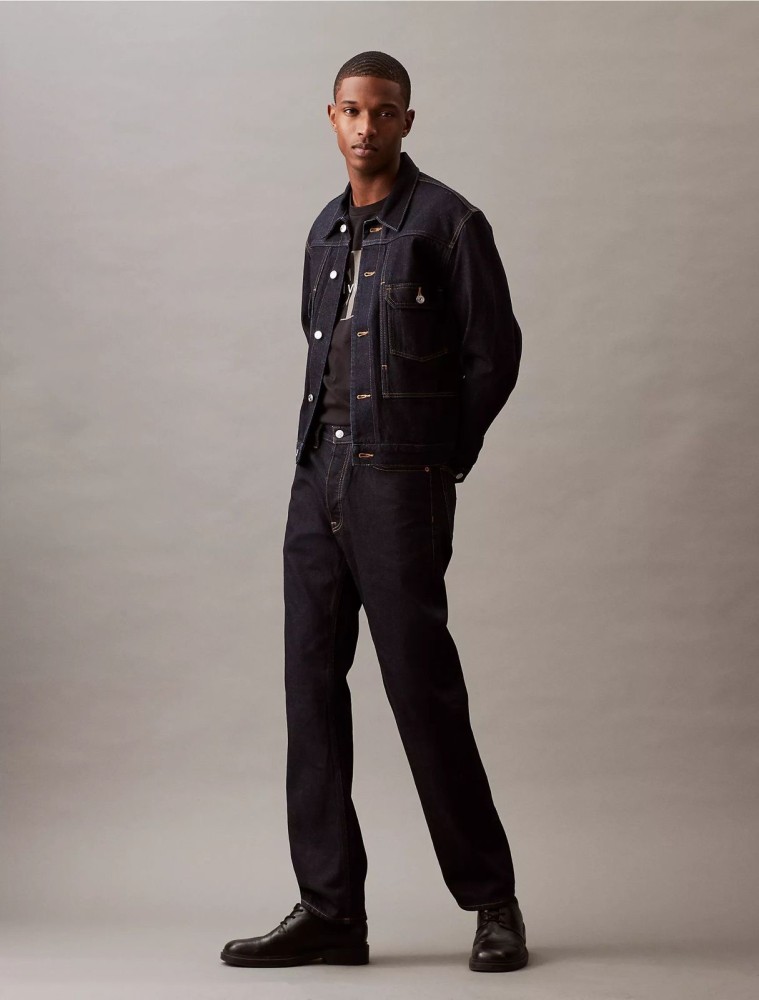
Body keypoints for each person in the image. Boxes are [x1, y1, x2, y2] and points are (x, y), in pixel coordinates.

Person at [220, 50, 527, 973]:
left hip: (397, 483)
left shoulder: (448, 222)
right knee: (310, 690)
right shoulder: (324, 229)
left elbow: (494, 354)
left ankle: (493, 901)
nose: (365, 127)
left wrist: (436, 459)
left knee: (421, 691)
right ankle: (330, 911)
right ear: (331, 118)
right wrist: (320, 468)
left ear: (405, 121)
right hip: (316, 478)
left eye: (382, 112)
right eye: (351, 111)